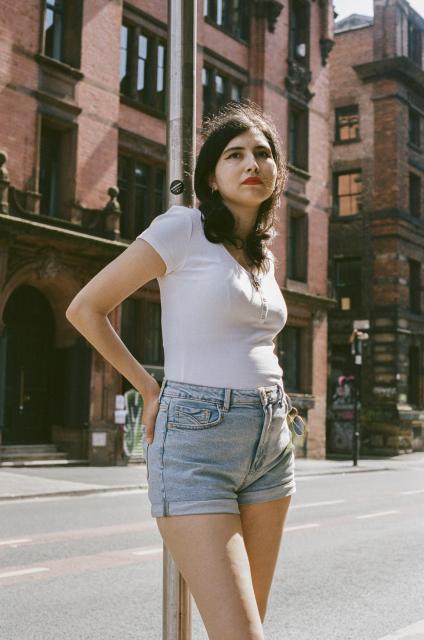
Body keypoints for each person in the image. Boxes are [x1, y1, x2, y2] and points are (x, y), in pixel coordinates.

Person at [66, 100, 303, 640]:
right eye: (235, 154)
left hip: (270, 442)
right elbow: (85, 308)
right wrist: (149, 388)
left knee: (247, 625)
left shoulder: (262, 255)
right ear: (212, 177)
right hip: (197, 437)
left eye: (263, 154)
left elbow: (248, 338)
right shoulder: (183, 229)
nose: (253, 163)